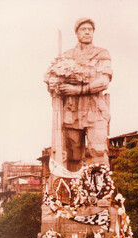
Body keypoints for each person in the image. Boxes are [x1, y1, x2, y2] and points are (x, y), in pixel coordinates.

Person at [44, 18, 112, 171]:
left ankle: (100, 192)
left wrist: (79, 89)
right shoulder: (66, 57)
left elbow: (104, 81)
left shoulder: (102, 54)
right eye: (83, 29)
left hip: (95, 110)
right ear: (77, 33)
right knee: (73, 155)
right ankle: (74, 192)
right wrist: (54, 84)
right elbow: (54, 81)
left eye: (90, 29)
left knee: (98, 151)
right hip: (71, 111)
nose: (87, 32)